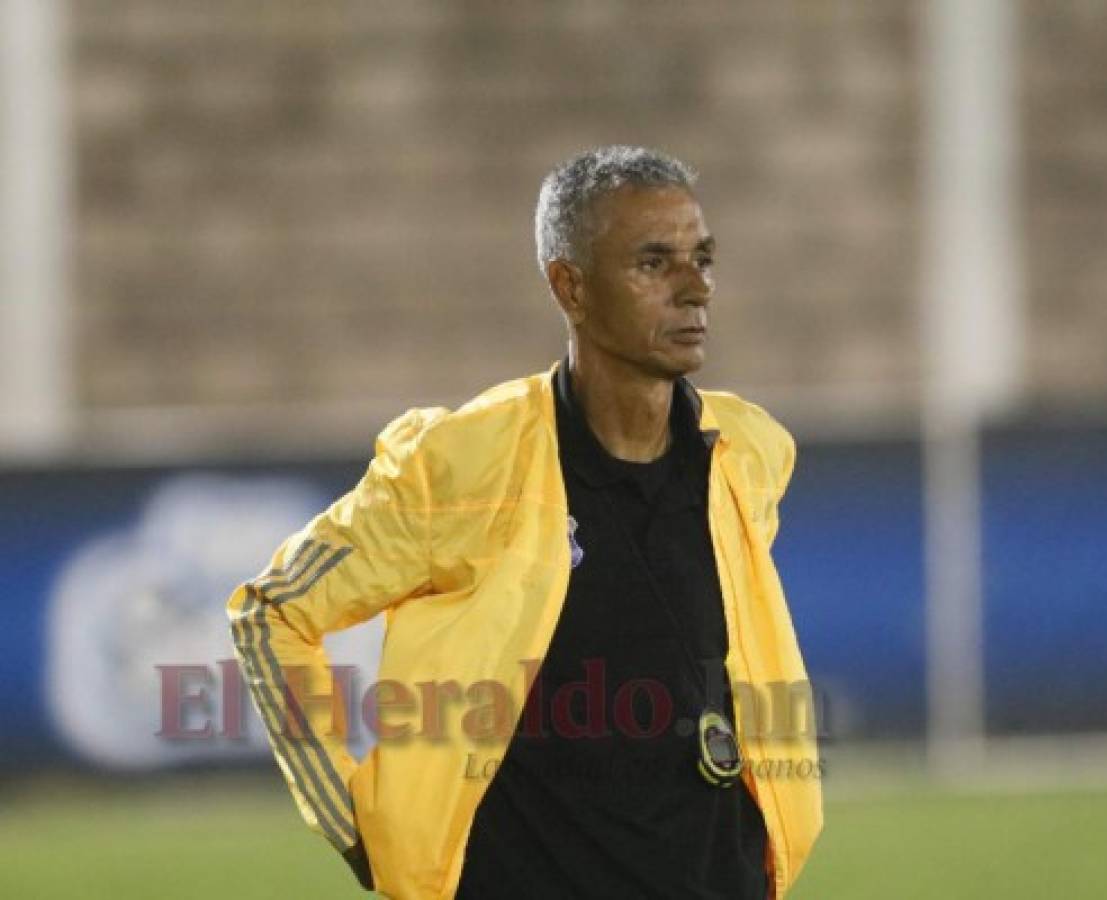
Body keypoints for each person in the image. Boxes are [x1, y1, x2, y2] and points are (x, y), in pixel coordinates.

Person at [226, 145, 822, 899]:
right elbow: (270, 611)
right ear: (569, 287)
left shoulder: (749, 454)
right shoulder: (463, 466)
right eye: (653, 263)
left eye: (702, 257)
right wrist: (353, 825)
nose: (695, 287)